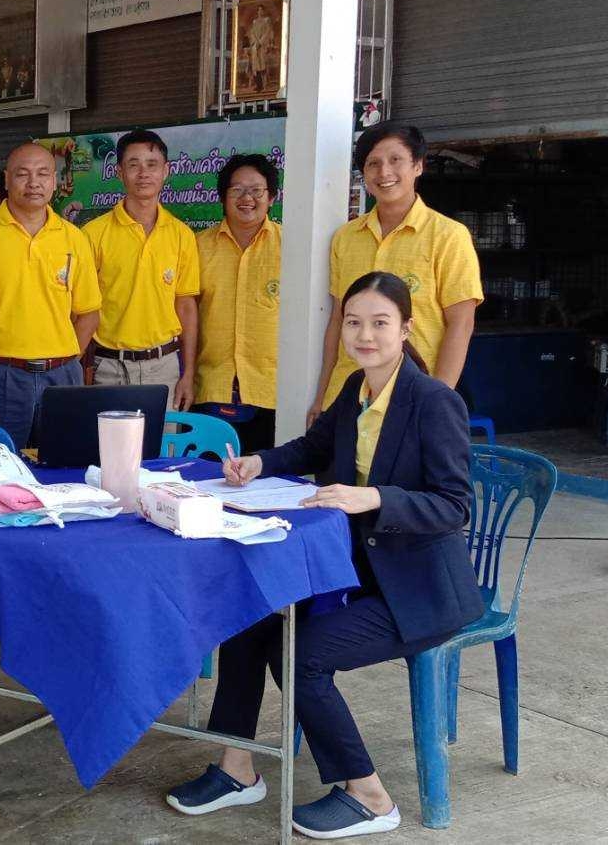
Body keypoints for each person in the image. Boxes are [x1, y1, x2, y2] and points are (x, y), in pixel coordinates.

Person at [165, 272, 480, 839]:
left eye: (380, 323)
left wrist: (374, 497)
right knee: (250, 618)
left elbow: (455, 505)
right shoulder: (357, 388)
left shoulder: (434, 402)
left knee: (301, 655)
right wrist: (260, 462)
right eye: (353, 322)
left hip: (418, 591)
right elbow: (314, 447)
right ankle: (237, 768)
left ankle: (371, 797)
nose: (365, 335)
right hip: (355, 572)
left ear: (406, 329)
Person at [307, 124, 481, 424]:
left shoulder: (448, 236)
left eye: (395, 160)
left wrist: (437, 403)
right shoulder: (345, 238)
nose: (384, 172)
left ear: (418, 166)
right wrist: (322, 396)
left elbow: (461, 324)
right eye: (373, 163)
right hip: (347, 397)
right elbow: (337, 319)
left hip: (414, 399)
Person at [0, 142, 102, 447]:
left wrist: (64, 359)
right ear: (7, 179)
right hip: (2, 374)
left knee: (63, 462)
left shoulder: (74, 238)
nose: (33, 183)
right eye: (23, 174)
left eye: (42, 174)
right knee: (1, 460)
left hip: (63, 377)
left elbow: (89, 313)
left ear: (55, 180)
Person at [83, 129, 201, 410]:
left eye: (152, 164)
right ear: (119, 172)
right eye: (133, 164)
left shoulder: (181, 235)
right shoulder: (93, 234)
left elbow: (186, 306)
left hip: (165, 369)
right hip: (108, 368)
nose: (143, 173)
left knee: (163, 440)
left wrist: (188, 373)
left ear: (166, 171)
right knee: (107, 440)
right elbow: (82, 309)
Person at [193, 154, 282, 453]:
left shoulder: (292, 246)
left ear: (272, 197)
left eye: (256, 191)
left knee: (266, 478)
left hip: (271, 392)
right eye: (237, 190)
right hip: (210, 388)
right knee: (205, 476)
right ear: (223, 197)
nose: (247, 199)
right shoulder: (198, 247)